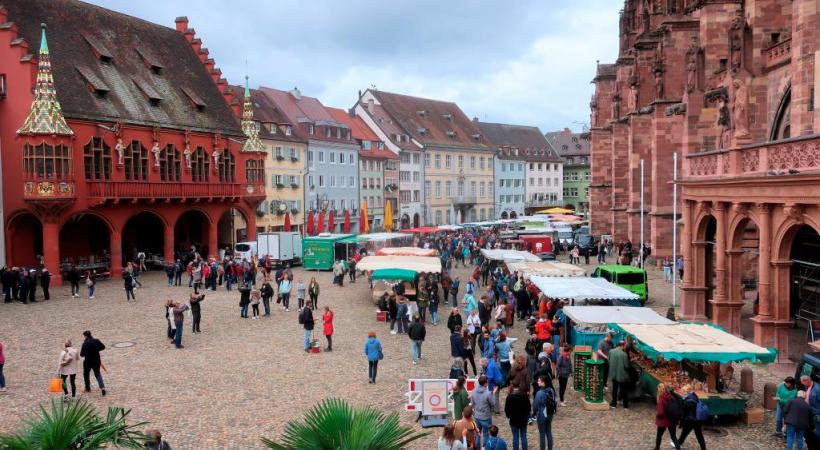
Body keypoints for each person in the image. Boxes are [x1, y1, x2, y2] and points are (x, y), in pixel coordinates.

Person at [654, 383, 681, 450]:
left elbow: (660, 412)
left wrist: (657, 416)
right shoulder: (671, 396)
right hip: (672, 419)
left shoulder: (661, 398)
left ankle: (657, 448)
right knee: (673, 436)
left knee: (659, 435)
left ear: (659, 389)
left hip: (663, 421)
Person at [471, 375, 495, 448]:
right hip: (486, 416)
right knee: (486, 434)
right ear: (485, 383)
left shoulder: (474, 391)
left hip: (477, 416)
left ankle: (477, 448)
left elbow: (473, 403)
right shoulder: (488, 393)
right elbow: (492, 404)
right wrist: (491, 410)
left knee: (477, 433)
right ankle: (485, 448)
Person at [532, 375, 556, 450]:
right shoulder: (551, 390)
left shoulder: (539, 393)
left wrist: (534, 413)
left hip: (542, 415)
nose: (538, 382)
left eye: (539, 381)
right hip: (550, 414)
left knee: (542, 434)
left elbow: (535, 406)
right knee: (548, 432)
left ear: (543, 382)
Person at [504, 382, 530, 450]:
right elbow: (529, 408)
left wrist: (509, 416)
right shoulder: (524, 396)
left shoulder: (509, 397)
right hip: (523, 419)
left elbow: (506, 409)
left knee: (515, 437)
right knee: (523, 436)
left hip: (513, 420)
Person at [80, 330, 106, 396]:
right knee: (97, 374)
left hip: (88, 361)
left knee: (86, 374)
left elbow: (82, 354)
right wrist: (96, 350)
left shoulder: (85, 343)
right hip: (96, 360)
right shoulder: (96, 341)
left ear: (85, 336)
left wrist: (87, 352)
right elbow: (103, 347)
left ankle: (88, 388)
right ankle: (102, 387)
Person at [608, 340, 631, 409]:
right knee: (624, 390)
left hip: (613, 374)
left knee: (614, 389)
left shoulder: (611, 351)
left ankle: (613, 404)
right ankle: (625, 405)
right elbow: (626, 366)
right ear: (623, 346)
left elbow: (609, 361)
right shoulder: (624, 355)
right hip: (622, 375)